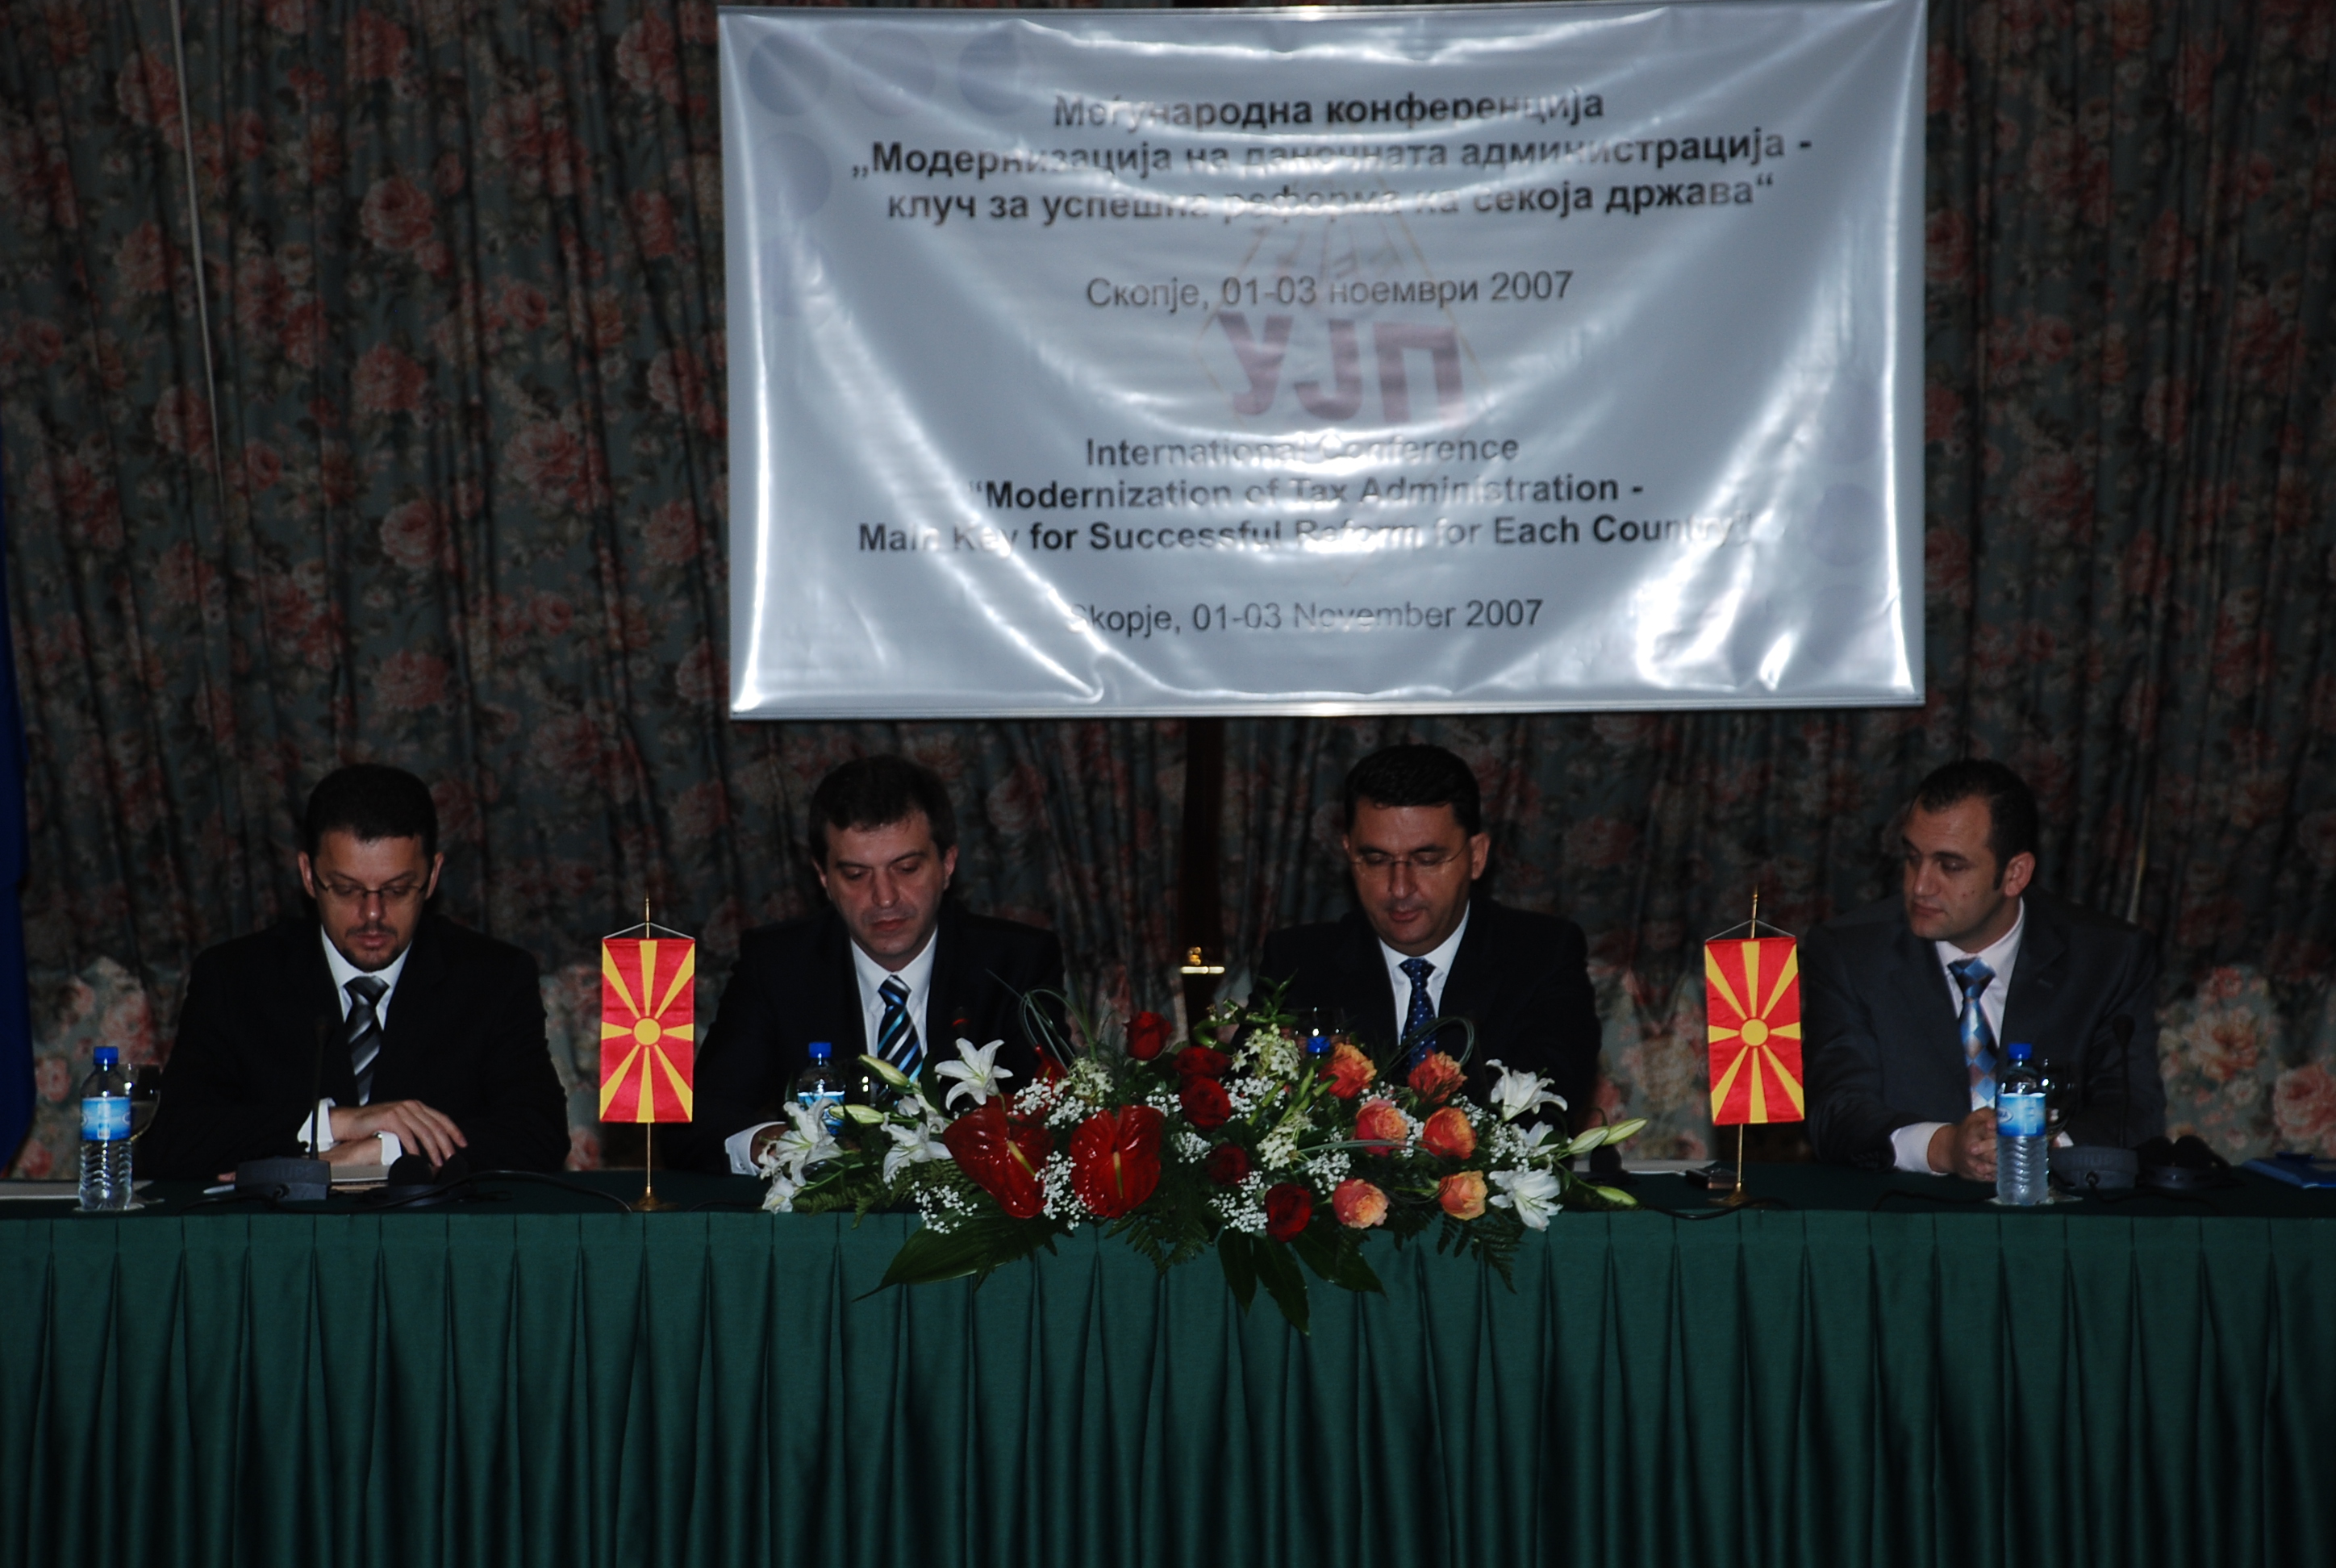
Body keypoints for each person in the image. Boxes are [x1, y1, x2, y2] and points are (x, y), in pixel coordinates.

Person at [144, 765, 569, 1180]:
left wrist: (386, 1150)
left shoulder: (494, 979)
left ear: (433, 875)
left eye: (397, 890)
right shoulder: (235, 979)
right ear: (308, 875)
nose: (372, 914)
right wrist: (335, 1124)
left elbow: (539, 1132)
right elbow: (169, 1138)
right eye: (347, 889)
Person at [678, 755, 1066, 1175]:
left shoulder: (1015, 963)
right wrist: (778, 1148)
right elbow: (700, 1118)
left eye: (907, 868)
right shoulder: (778, 966)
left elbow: (1055, 1115)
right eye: (856, 875)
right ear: (824, 878)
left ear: (947, 864)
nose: (884, 897)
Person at [1804, 758, 2166, 1176]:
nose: (1920, 885)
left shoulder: (2108, 958)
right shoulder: (1850, 953)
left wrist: (2037, 1147)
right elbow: (1837, 1113)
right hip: (1904, 1206)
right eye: (1913, 858)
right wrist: (1945, 1148)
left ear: (2015, 874)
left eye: (1951, 866)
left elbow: (2133, 1110)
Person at [1253, 744, 1600, 1118]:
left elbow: (1548, 1107)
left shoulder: (1542, 955)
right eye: (1376, 860)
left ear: (1477, 856)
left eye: (1427, 860)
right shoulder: (1297, 962)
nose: (1400, 888)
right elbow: (1246, 1107)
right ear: (1349, 853)